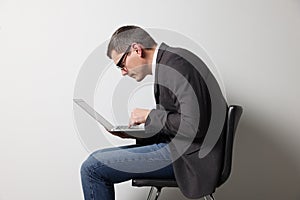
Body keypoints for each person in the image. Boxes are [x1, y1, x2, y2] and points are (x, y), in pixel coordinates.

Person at [80, 25, 227, 200]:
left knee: (93, 168)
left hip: (190, 157)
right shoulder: (170, 63)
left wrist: (149, 116)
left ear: (136, 49)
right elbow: (179, 122)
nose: (123, 72)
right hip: (181, 149)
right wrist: (137, 133)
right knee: (95, 160)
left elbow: (194, 125)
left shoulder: (177, 64)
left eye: (121, 64)